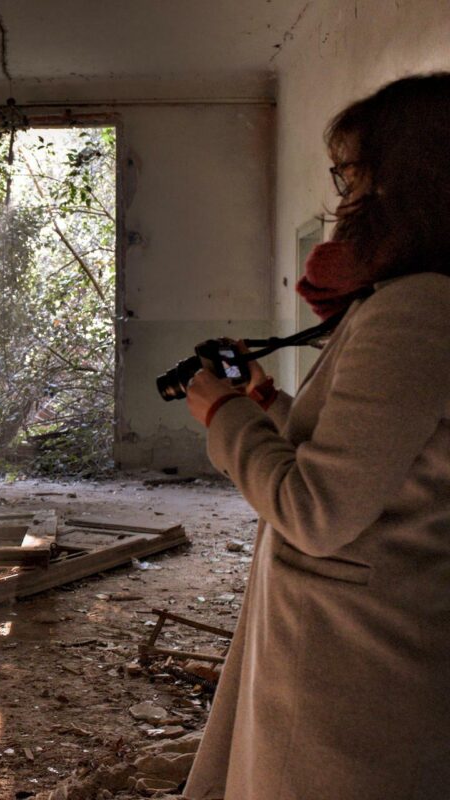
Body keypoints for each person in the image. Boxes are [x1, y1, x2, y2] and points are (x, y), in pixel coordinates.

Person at [181, 73, 450, 800]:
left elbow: (315, 510)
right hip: (353, 645)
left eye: (355, 176)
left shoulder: (418, 308)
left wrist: (221, 414)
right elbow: (379, 458)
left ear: (411, 180)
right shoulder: (412, 299)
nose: (344, 200)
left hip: (343, 667)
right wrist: (266, 403)